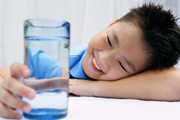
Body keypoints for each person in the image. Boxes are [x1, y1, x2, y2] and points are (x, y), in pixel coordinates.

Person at [1, 3, 180, 119]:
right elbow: (9, 76)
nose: (102, 59)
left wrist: (83, 87)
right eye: (109, 40)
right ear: (112, 24)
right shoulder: (64, 59)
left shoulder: (143, 79)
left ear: (141, 73)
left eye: (122, 65)